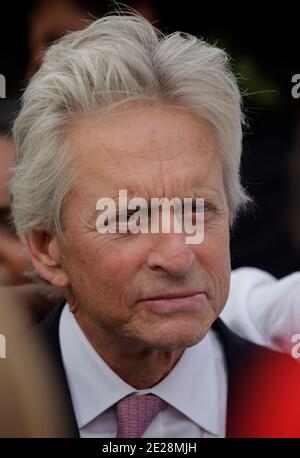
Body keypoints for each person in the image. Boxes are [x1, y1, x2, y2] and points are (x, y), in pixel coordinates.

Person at [9, 12, 300, 438]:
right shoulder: (10, 398)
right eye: (128, 217)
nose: (178, 255)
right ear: (46, 245)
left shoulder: (283, 397)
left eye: (197, 210)